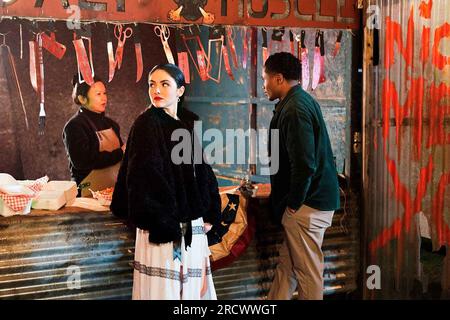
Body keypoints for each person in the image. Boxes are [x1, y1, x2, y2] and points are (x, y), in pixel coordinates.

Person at [111, 64, 221, 300]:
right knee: (167, 293)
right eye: (152, 84)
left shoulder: (186, 123)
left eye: (164, 84)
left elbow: (202, 171)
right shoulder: (146, 124)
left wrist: (210, 210)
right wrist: (166, 220)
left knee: (195, 290)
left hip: (190, 222)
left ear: (180, 91)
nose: (156, 90)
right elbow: (143, 177)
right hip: (164, 226)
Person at [263, 52, 340, 300]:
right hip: (309, 204)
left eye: (265, 79)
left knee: (307, 273)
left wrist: (293, 204)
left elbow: (305, 164)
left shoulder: (295, 109)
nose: (263, 85)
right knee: (288, 269)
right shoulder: (299, 101)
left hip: (307, 206)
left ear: (278, 78)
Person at [63, 75, 124, 197]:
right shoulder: (74, 126)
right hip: (87, 189)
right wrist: (120, 153)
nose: (104, 98)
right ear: (82, 98)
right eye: (98, 94)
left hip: (112, 190)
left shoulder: (112, 124)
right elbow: (82, 162)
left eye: (104, 93)